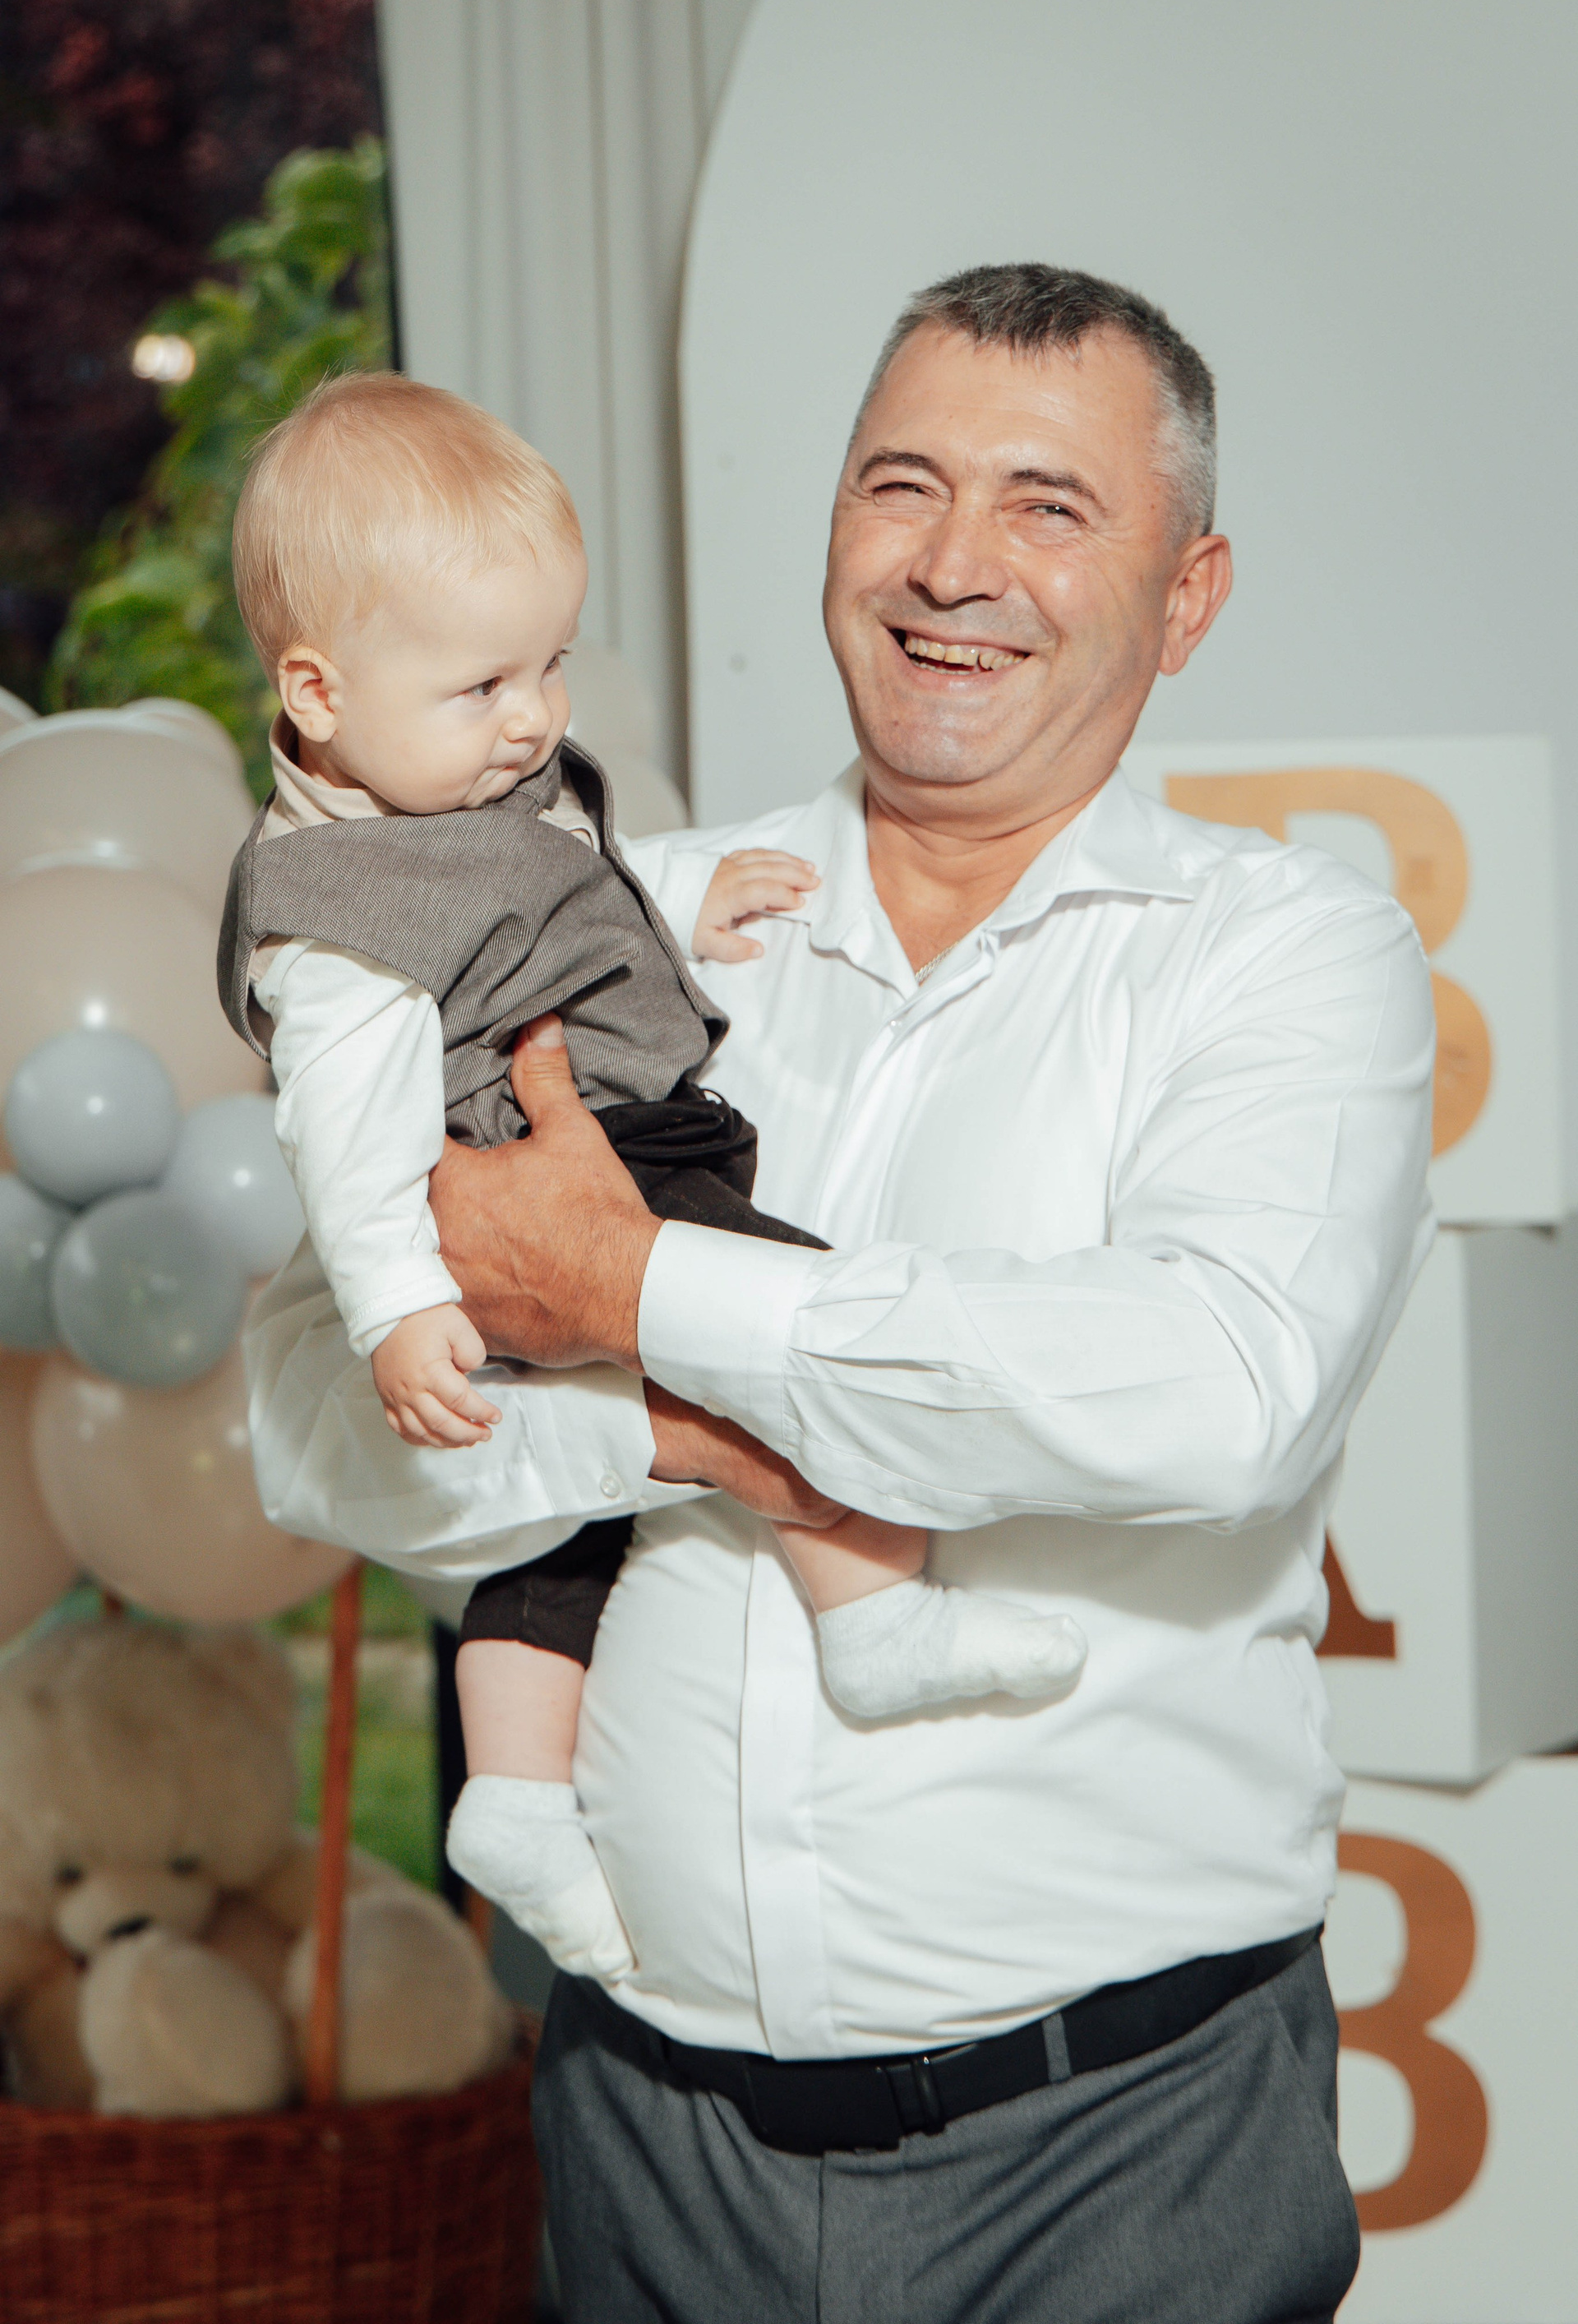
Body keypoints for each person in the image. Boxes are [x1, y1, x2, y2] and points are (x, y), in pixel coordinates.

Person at [245, 265, 1435, 2322]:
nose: (954, 562)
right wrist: (672, 1433)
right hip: (644, 2133)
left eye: (1050, 505)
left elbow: (1211, 1390)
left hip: (1121, 2143)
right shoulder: (598, 918)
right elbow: (300, 1422)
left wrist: (632, 1287)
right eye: (903, 484)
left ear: (1189, 596)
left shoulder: (1283, 952)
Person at [221, 371, 1087, 1985]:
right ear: (319, 692)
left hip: (594, 1142)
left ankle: (516, 1792)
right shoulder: (339, 924)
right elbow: (345, 1132)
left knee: (564, 1524)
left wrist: (687, 894)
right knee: (796, 1316)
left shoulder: (456, 781)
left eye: (551, 663)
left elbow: (568, 896)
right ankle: (874, 1614)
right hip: (574, 1166)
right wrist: (400, 1302)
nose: (533, 717)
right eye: (487, 683)